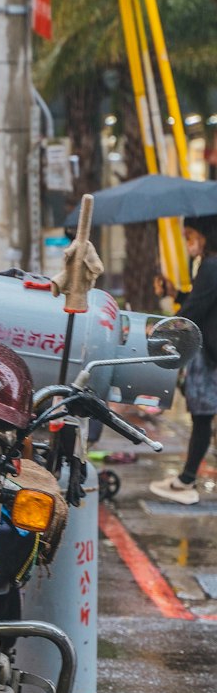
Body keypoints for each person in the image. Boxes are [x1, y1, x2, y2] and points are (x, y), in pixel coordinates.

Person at [149, 216, 217, 504]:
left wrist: (165, 330)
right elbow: (199, 300)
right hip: (211, 352)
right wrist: (176, 294)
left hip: (210, 355)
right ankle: (186, 478)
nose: (188, 244)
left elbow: (195, 309)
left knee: (202, 416)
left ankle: (186, 481)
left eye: (190, 237)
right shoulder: (210, 265)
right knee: (203, 416)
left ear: (204, 235)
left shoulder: (212, 265)